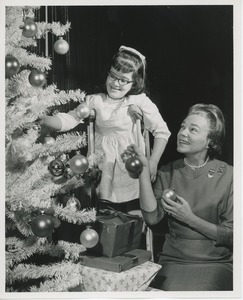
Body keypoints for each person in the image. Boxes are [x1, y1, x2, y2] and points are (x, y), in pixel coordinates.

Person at [40, 45, 171, 212]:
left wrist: (153, 162)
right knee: (105, 208)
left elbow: (162, 132)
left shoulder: (139, 101)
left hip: (129, 162)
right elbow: (71, 118)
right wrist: (46, 120)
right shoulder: (95, 101)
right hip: (103, 164)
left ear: (135, 82)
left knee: (133, 209)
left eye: (123, 80)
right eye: (113, 76)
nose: (116, 83)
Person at [122, 103, 233, 290]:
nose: (182, 133)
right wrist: (142, 171)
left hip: (215, 264)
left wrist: (190, 219)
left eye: (193, 129)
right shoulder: (168, 171)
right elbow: (151, 218)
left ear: (209, 142)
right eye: (182, 127)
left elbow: (233, 235)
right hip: (173, 261)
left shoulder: (229, 176)